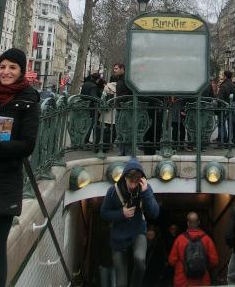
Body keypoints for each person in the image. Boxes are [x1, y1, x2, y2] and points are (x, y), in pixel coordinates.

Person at [0, 48, 40, 287]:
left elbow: (27, 145)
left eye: (12, 67)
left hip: (4, 183)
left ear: (21, 71)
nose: (6, 72)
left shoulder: (29, 100)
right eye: (3, 66)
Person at [101, 158, 159, 287]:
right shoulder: (113, 191)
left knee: (140, 260)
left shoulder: (145, 189)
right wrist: (121, 214)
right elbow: (104, 213)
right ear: (125, 178)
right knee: (121, 283)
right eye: (130, 182)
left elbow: (155, 213)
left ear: (141, 180)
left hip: (138, 231)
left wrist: (146, 193)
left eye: (136, 182)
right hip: (119, 237)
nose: (133, 186)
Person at [168, 212, 218, 287]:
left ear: (188, 223)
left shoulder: (179, 239)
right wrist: (201, 266)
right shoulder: (207, 239)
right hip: (202, 281)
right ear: (199, 222)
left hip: (183, 281)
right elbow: (214, 261)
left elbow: (171, 261)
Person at [217, 71, 235, 145]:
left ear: (225, 76)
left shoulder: (223, 86)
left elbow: (219, 98)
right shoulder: (233, 85)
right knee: (234, 124)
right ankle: (234, 141)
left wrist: (219, 107)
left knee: (221, 123)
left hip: (224, 108)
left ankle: (223, 140)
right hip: (234, 107)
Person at [81, 71, 102, 144]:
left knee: (85, 124)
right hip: (91, 107)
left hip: (84, 106)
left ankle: (84, 140)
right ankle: (86, 141)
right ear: (98, 79)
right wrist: (100, 101)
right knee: (90, 124)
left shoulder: (85, 83)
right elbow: (93, 96)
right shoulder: (93, 86)